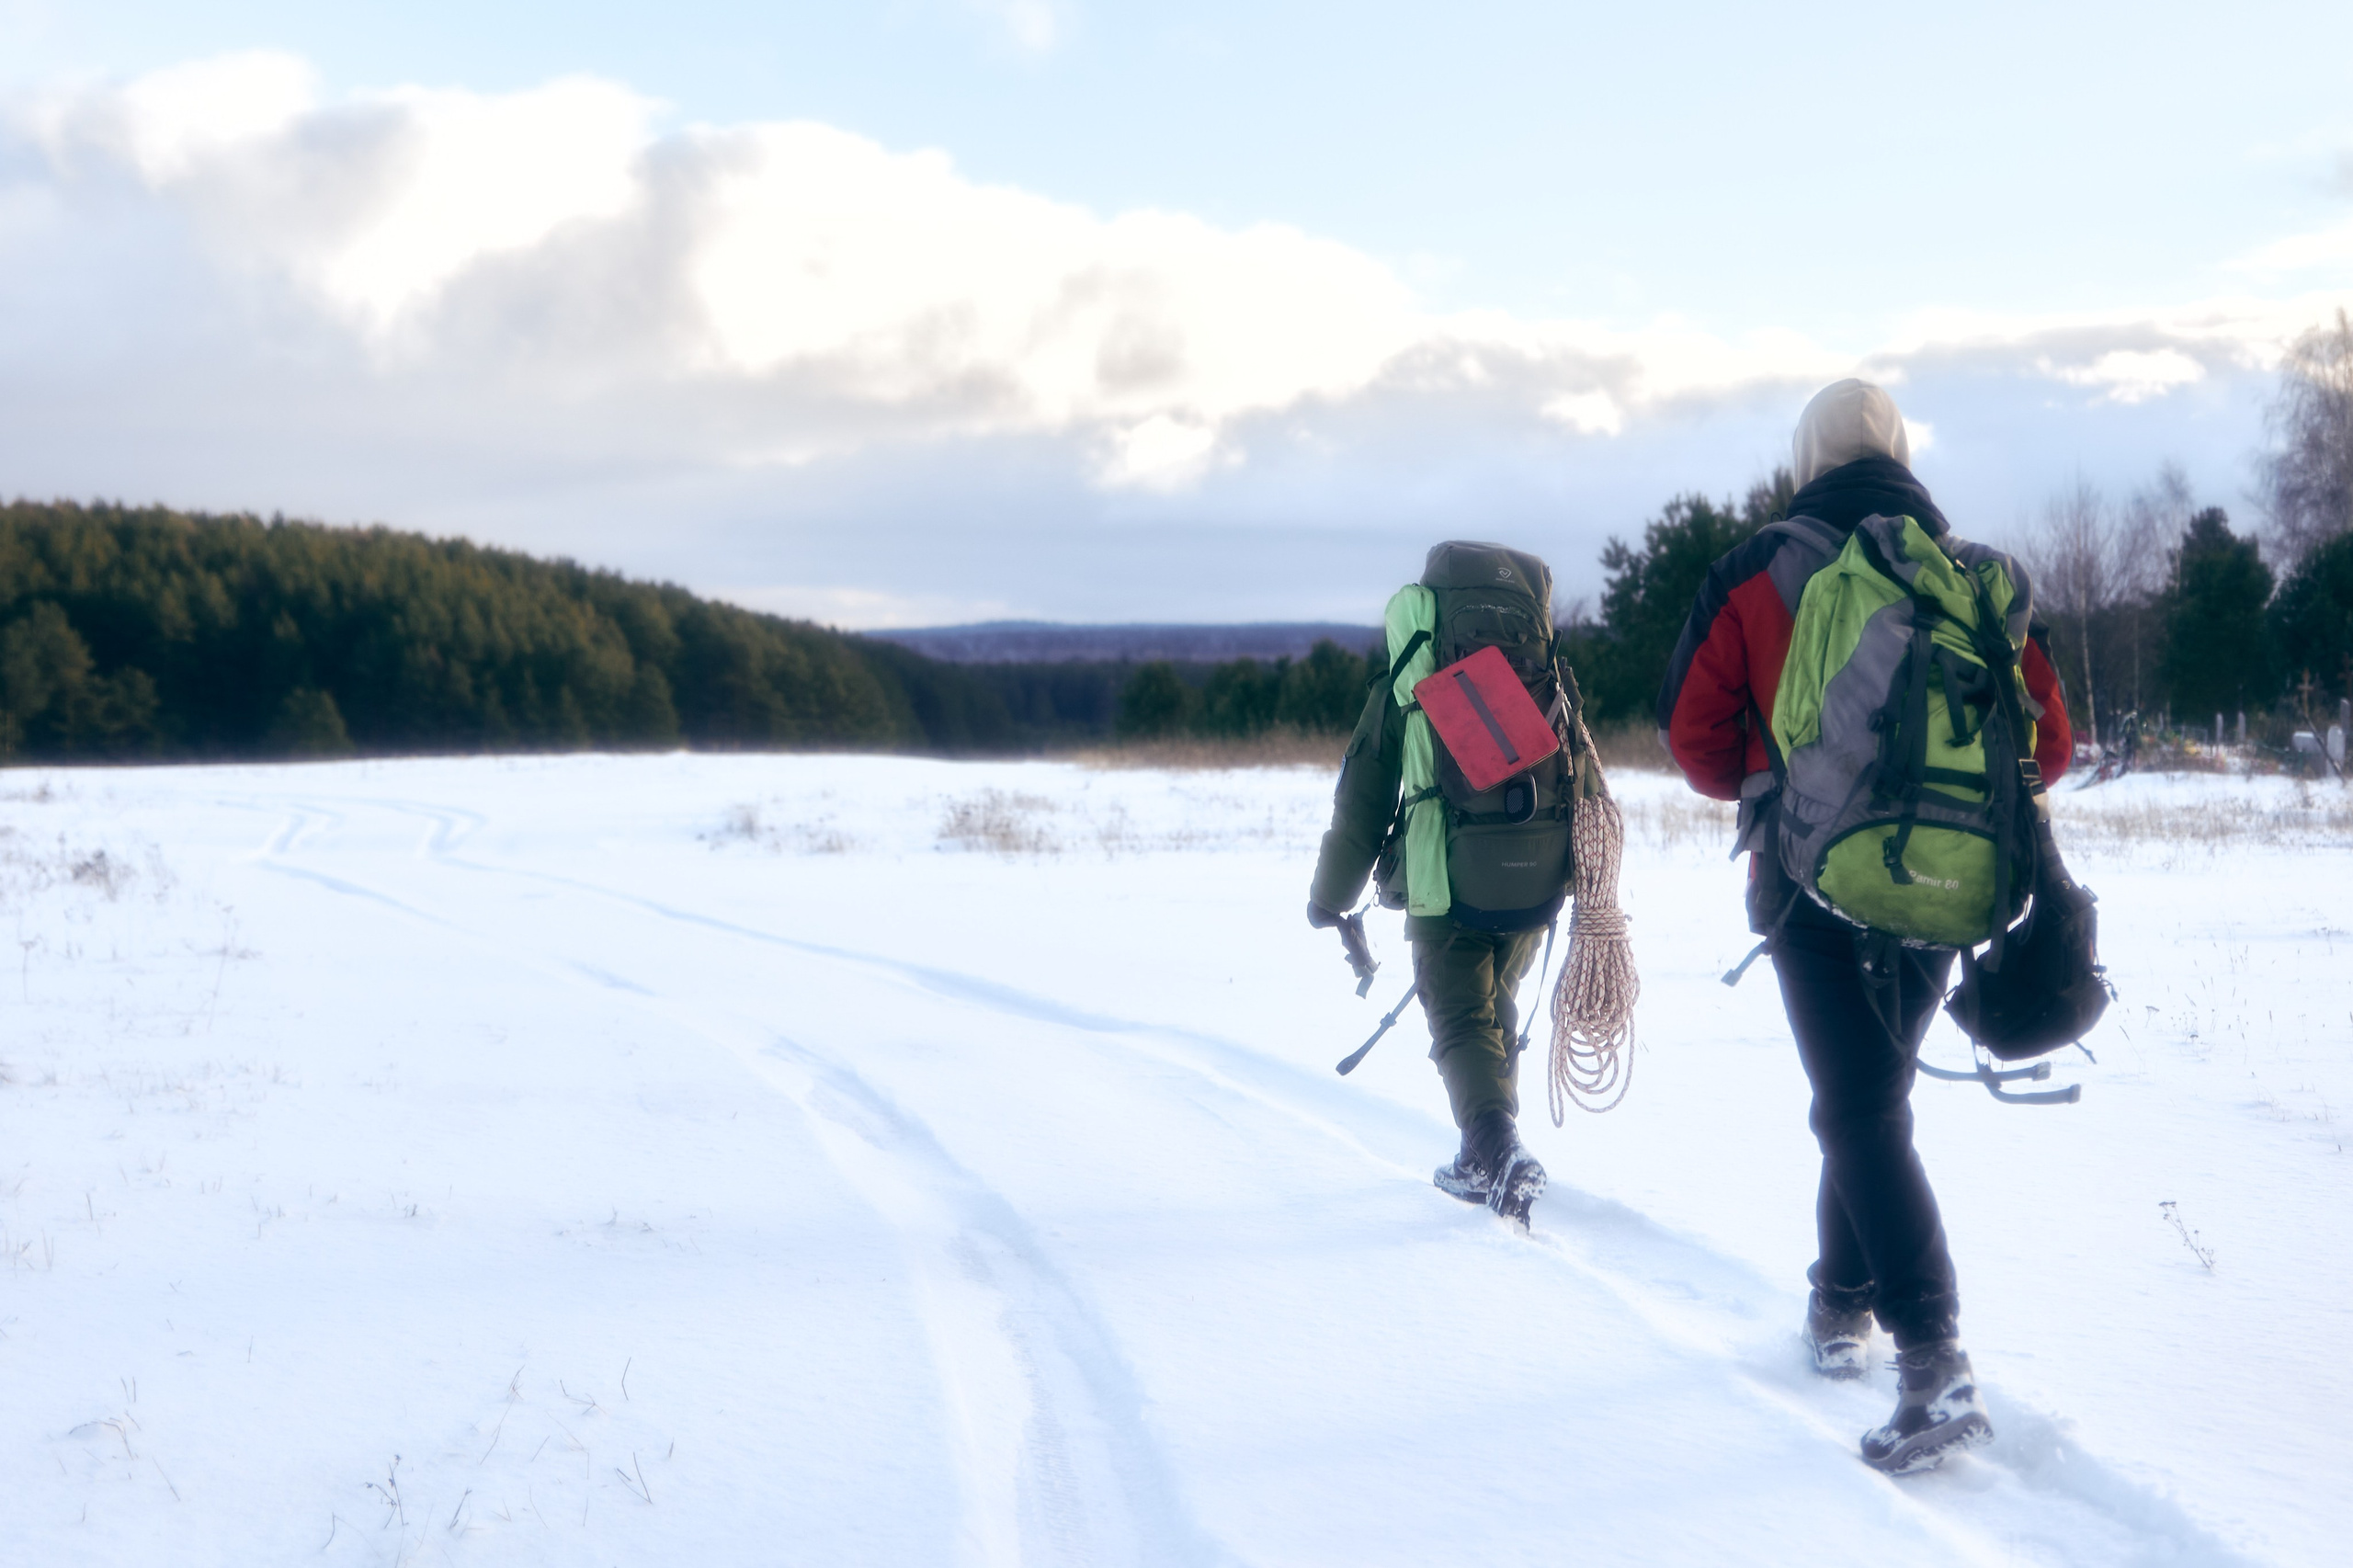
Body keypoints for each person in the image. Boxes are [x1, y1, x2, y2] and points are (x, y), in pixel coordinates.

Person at [1656, 379, 2073, 1474]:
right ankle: (1838, 1299)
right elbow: (2052, 744)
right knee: (1867, 1096)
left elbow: (1692, 741)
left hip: (1806, 883)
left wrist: (1787, 781)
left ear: (1807, 458)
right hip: (1945, 886)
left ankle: (1932, 1357)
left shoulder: (1753, 571)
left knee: (1855, 1104)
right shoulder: (1972, 574)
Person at [1307, 541, 1588, 1228]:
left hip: (1448, 877)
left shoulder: (1412, 674)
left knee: (1460, 1019)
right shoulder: (1545, 672)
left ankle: (1499, 1151)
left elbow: (1364, 795)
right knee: (1495, 1005)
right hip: (1538, 872)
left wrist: (1331, 897)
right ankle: (1480, 1151)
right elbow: (1582, 768)